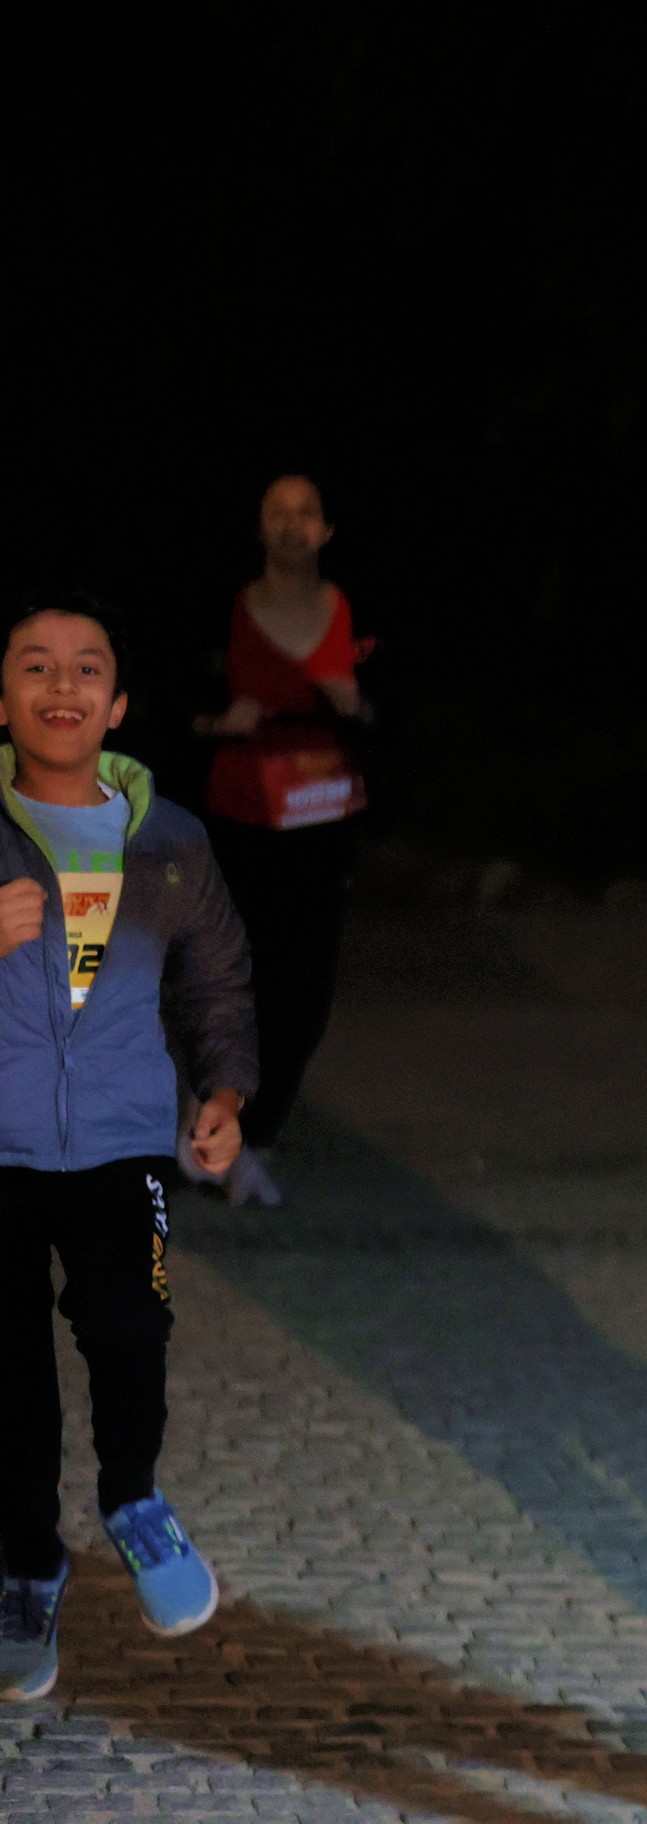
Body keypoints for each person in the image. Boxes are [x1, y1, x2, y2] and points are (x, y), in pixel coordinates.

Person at [0, 593, 257, 1701]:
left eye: (86, 668)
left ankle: (134, 1500)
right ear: (2, 701)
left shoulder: (171, 842)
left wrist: (226, 1091)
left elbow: (217, 982)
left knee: (129, 1325)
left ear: (116, 705)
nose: (62, 685)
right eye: (35, 666)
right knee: (8, 1370)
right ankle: (26, 1565)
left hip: (122, 1140)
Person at [193, 474, 372, 1208]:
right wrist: (216, 723)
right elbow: (168, 706)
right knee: (230, 979)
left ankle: (253, 1136)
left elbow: (402, 723)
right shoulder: (225, 610)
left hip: (323, 822)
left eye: (307, 512)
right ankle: (215, 1132)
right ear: (260, 528)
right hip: (238, 820)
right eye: (278, 512)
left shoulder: (356, 613)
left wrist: (359, 708)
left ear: (327, 529)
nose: (294, 524)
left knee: (302, 995)